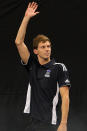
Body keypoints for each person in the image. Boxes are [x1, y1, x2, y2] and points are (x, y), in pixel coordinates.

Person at [15, 2, 71, 131]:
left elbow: (65, 97)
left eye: (49, 46)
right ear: (36, 51)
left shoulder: (59, 67)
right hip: (30, 122)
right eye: (43, 47)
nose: (47, 49)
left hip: (48, 124)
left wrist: (63, 123)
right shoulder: (32, 65)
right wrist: (26, 18)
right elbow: (18, 42)